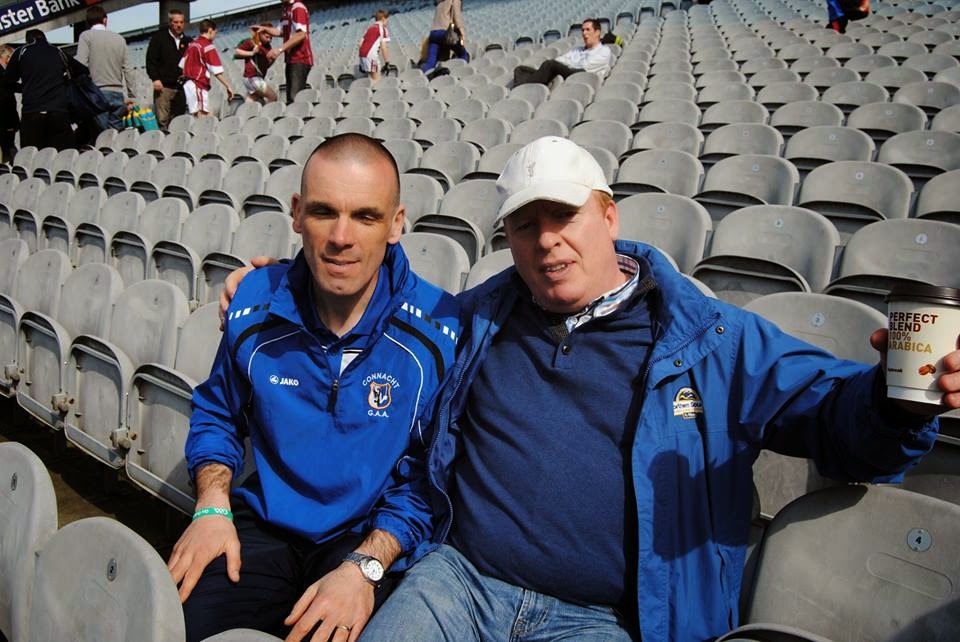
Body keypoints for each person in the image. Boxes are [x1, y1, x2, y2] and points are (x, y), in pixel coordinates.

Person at [223, 137, 960, 641]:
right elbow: (373, 300)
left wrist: (895, 400)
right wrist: (276, 284)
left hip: (602, 619)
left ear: (609, 215)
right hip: (458, 583)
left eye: (564, 215)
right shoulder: (475, 319)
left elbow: (834, 421)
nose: (546, 240)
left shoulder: (712, 338)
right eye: (524, 225)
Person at [171, 133, 460, 642]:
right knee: (179, 625)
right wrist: (212, 506)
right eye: (324, 212)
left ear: (396, 224)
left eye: (365, 216)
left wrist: (367, 566)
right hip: (263, 524)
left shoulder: (439, 333)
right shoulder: (254, 303)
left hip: (365, 536)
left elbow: (427, 478)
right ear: (297, 214)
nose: (341, 237)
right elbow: (217, 413)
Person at [2, 30, 83, 151]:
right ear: (45, 38)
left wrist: (24, 88)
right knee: (62, 152)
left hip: (32, 112)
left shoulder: (21, 52)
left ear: (27, 40)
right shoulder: (57, 51)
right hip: (58, 110)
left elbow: (7, 81)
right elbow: (81, 70)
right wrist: (63, 81)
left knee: (32, 153)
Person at [75, 4, 135, 133]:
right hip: (118, 94)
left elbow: (80, 64)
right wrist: (131, 95)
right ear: (105, 20)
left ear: (88, 22)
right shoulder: (119, 39)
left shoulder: (86, 36)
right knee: (115, 135)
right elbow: (128, 69)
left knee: (100, 135)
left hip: (97, 93)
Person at [513, 19, 612, 86]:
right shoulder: (577, 49)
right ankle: (525, 85)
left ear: (597, 32)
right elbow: (561, 60)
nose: (584, 33)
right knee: (520, 69)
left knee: (550, 64)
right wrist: (565, 64)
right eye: (582, 30)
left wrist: (567, 64)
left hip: (583, 76)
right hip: (570, 71)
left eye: (587, 30)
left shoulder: (604, 51)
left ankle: (524, 87)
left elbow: (585, 66)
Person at [146, 8, 191, 130]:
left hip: (181, 88)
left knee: (179, 121)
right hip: (163, 87)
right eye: (176, 22)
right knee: (162, 121)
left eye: (181, 22)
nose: (179, 25)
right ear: (170, 22)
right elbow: (150, 60)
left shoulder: (188, 41)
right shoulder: (158, 38)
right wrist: (155, 78)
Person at [261, 0, 313, 104]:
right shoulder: (286, 8)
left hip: (300, 58)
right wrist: (263, 29)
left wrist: (279, 49)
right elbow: (279, 31)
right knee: (290, 98)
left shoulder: (298, 7)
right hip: (291, 59)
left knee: (295, 99)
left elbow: (301, 34)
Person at [179, 19, 235, 117]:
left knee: (200, 114)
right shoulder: (208, 46)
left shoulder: (192, 44)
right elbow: (216, 71)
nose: (215, 35)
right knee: (203, 114)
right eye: (215, 32)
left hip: (190, 84)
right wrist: (228, 86)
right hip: (198, 84)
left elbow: (182, 64)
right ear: (210, 30)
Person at [234, 24, 278, 103]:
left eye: (271, 38)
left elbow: (266, 66)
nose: (269, 40)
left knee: (252, 98)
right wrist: (252, 53)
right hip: (252, 77)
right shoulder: (252, 42)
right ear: (260, 34)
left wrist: (273, 60)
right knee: (273, 97)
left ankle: (245, 110)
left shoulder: (268, 46)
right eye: (267, 37)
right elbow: (237, 52)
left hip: (258, 78)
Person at [421, 0, 468, 72]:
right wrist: (462, 32)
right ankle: (462, 72)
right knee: (463, 54)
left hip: (433, 34)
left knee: (431, 62)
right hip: (445, 33)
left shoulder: (440, 3)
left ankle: (422, 74)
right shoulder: (454, 0)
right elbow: (457, 17)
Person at [358, 10, 392, 82]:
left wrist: (361, 62)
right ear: (383, 19)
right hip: (371, 57)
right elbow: (384, 47)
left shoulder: (370, 28)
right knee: (377, 80)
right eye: (387, 20)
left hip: (362, 56)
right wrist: (387, 63)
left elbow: (360, 44)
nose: (387, 22)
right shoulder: (382, 28)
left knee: (371, 79)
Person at [0, 44, 18, 164]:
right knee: (9, 151)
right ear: (6, 57)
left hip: (5, 119)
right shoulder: (3, 75)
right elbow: (5, 99)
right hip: (5, 120)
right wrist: (11, 123)